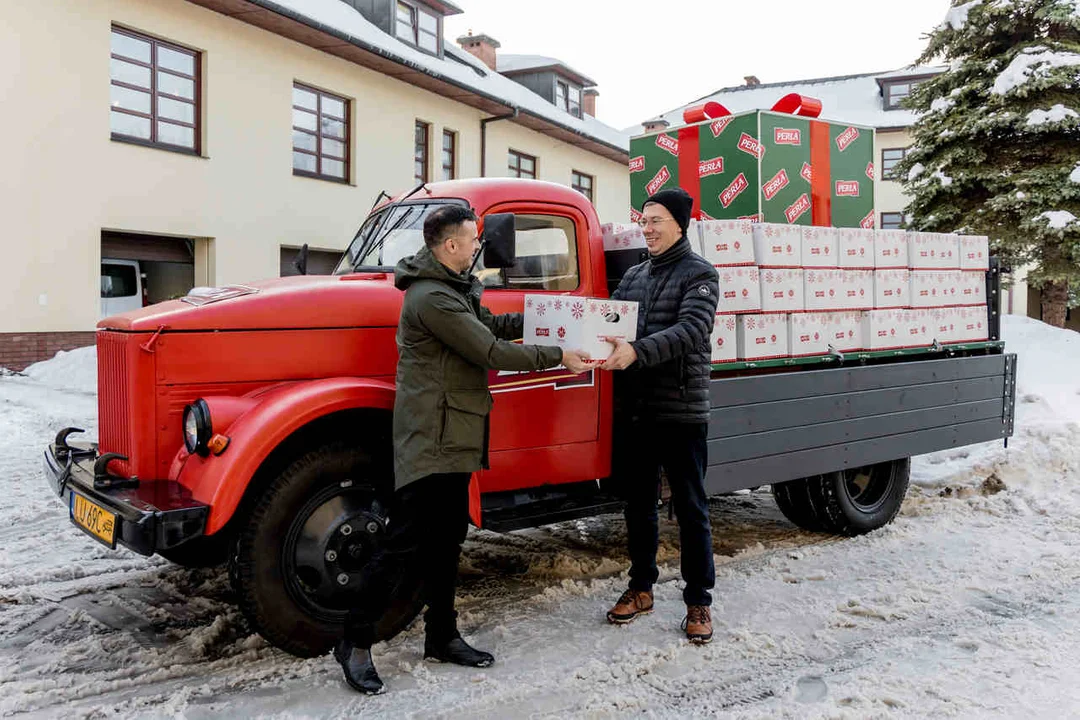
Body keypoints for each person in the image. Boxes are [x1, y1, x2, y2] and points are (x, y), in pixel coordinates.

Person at [335, 204, 592, 694]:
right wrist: (559, 355)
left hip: (454, 432)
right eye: (473, 239)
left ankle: (442, 636)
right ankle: (355, 640)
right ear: (450, 245)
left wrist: (548, 317)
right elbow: (490, 353)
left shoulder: (454, 288)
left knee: (447, 542)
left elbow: (491, 328)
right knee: (402, 543)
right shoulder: (432, 298)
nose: (479, 245)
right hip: (431, 437)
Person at [599, 188, 720, 644]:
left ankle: (699, 602)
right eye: (643, 221)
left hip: (681, 410)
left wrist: (635, 352)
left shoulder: (700, 274)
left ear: (680, 224)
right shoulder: (633, 277)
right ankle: (641, 586)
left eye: (656, 221)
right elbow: (607, 324)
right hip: (637, 410)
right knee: (638, 504)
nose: (646, 229)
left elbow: (691, 331)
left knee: (690, 508)